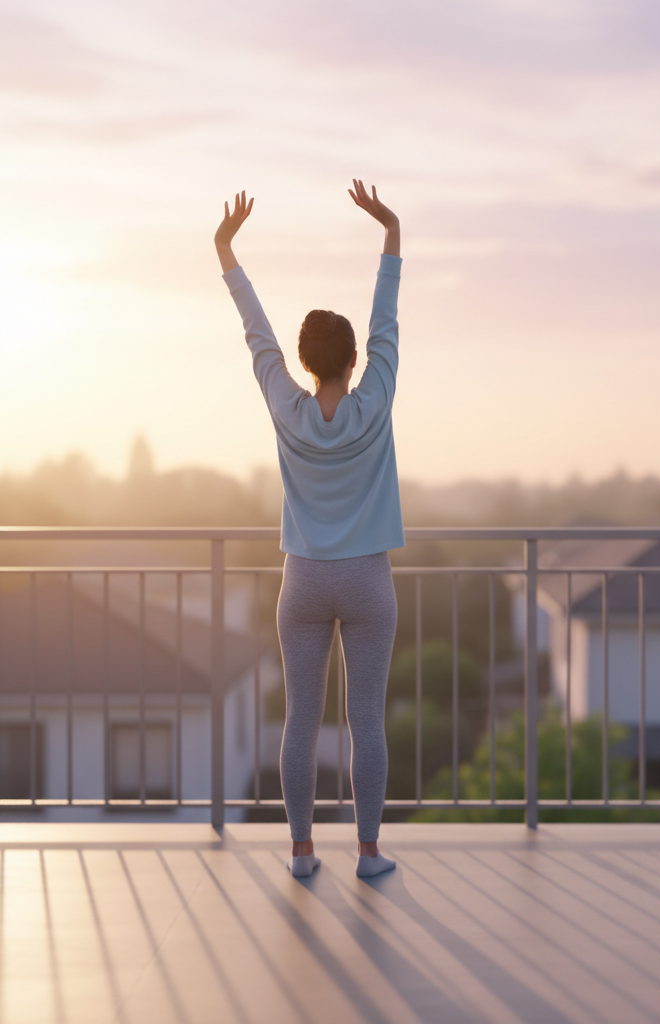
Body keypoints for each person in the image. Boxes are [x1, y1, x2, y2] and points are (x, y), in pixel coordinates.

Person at [215, 181, 403, 879]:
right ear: (354, 361)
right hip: (367, 581)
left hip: (302, 581)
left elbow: (254, 331)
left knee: (300, 720)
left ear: (302, 363)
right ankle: (369, 852)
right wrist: (390, 233)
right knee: (368, 722)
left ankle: (300, 854)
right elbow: (387, 317)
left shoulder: (286, 408)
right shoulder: (375, 401)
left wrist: (226, 250)